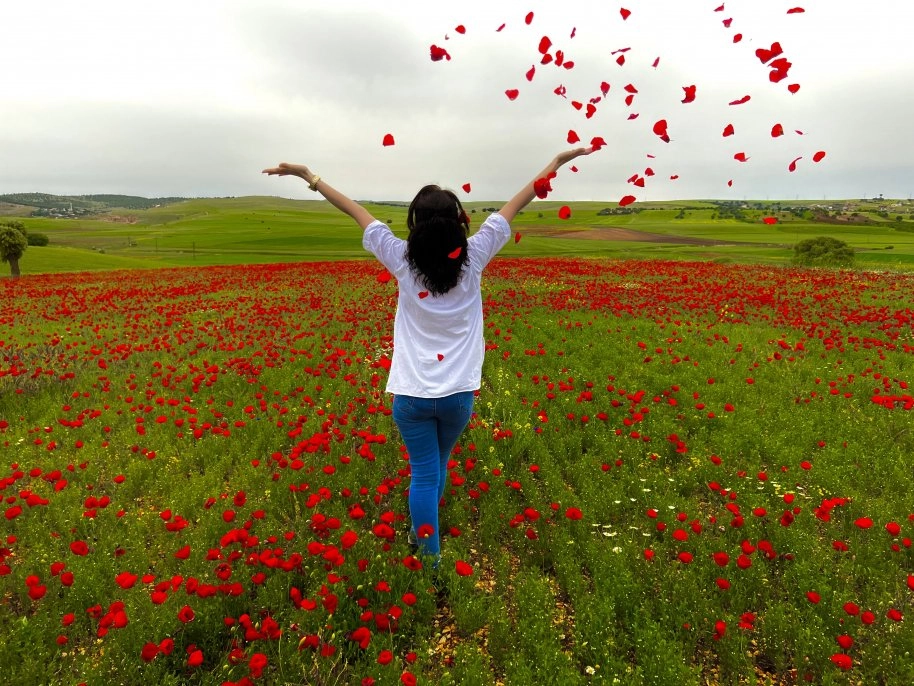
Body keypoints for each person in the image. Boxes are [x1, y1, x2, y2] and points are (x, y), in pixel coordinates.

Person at [263, 147, 595, 564]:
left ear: (414, 225)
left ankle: (429, 560)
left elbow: (355, 211)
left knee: (423, 471)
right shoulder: (474, 256)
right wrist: (558, 162)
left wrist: (308, 175)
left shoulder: (400, 258)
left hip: (412, 395)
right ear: (459, 223)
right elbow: (521, 199)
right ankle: (428, 536)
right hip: (458, 396)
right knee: (438, 463)